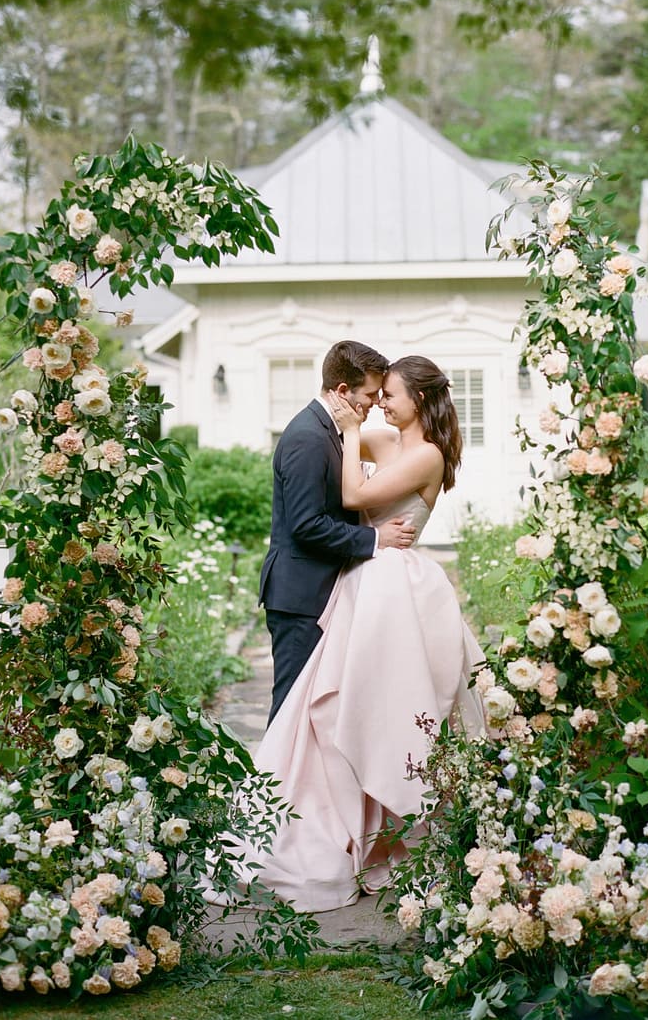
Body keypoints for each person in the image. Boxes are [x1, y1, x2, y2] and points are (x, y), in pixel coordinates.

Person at [254, 355, 487, 912]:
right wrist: (343, 422)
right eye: (375, 393)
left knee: (379, 707)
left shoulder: (426, 453)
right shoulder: (382, 439)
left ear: (421, 401)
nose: (380, 402)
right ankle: (319, 822)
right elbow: (336, 465)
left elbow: (357, 497)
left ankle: (376, 823)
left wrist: (354, 425)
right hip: (360, 581)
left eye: (391, 394)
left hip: (392, 586)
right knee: (336, 703)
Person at [259, 340, 417, 725]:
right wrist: (376, 538)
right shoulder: (307, 438)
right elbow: (306, 524)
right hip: (300, 597)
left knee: (314, 712)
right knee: (290, 711)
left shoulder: (332, 432)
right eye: (369, 394)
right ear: (343, 391)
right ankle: (272, 785)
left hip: (321, 592)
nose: (374, 404)